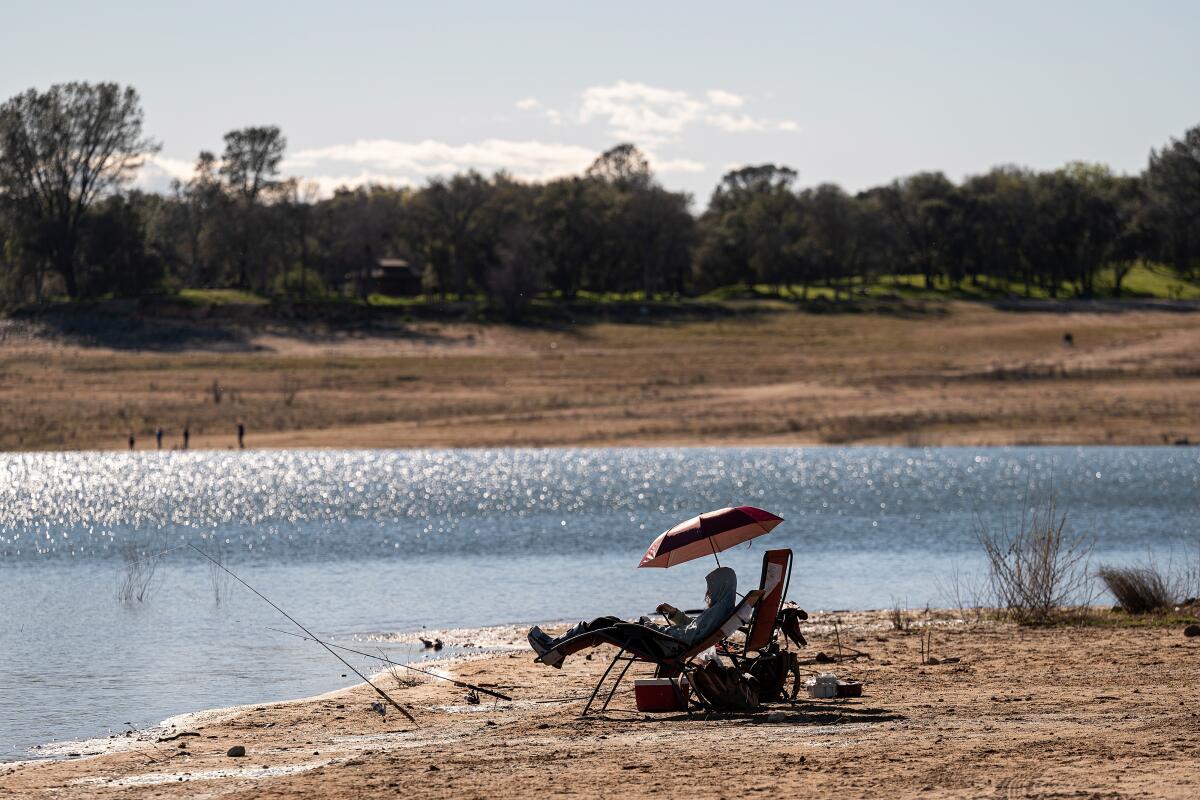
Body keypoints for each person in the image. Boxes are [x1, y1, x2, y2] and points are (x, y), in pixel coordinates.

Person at [527, 567, 737, 669]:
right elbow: (693, 629)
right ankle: (557, 650)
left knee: (603, 625)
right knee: (607, 622)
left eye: (711, 587)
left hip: (663, 645)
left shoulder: (718, 612)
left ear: (721, 587)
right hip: (665, 642)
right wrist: (674, 613)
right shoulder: (721, 609)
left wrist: (654, 629)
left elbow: (689, 636)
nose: (708, 592)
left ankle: (555, 650)